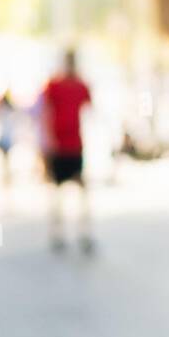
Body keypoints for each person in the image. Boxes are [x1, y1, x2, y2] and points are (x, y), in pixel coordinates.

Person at [39, 50, 95, 254]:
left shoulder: (81, 85)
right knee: (57, 193)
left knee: (81, 191)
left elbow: (90, 111)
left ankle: (84, 234)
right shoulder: (54, 86)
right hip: (59, 147)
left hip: (75, 146)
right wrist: (47, 143)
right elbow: (44, 113)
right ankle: (58, 235)